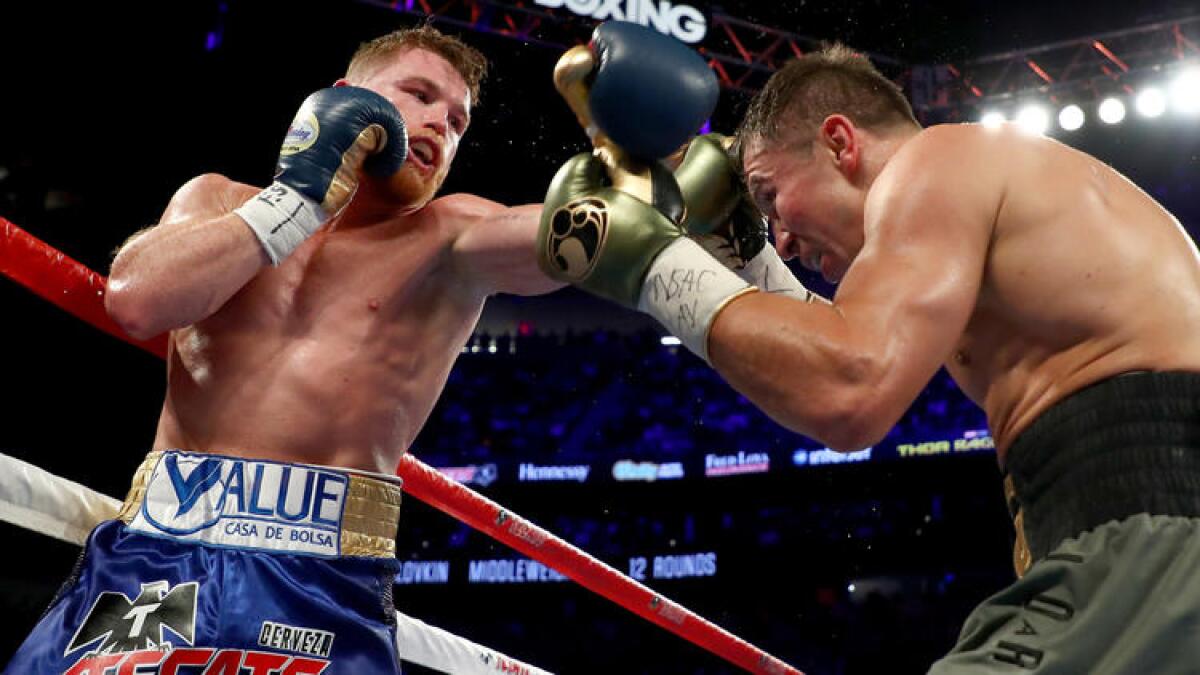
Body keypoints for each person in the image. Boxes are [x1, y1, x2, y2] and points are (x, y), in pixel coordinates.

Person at [537, 44, 1200, 672]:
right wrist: (742, 257)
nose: (785, 239)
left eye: (771, 199)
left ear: (840, 142)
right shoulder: (988, 207)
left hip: (1148, 530)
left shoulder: (934, 162)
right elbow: (837, 346)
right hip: (1130, 539)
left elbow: (848, 388)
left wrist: (652, 260)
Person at [5, 25, 564, 674]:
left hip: (319, 570)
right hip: (154, 551)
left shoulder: (450, 236)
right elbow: (137, 301)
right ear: (346, 98)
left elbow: (566, 243)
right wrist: (295, 201)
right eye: (419, 94)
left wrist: (642, 199)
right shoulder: (216, 199)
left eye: (459, 119)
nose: (441, 122)